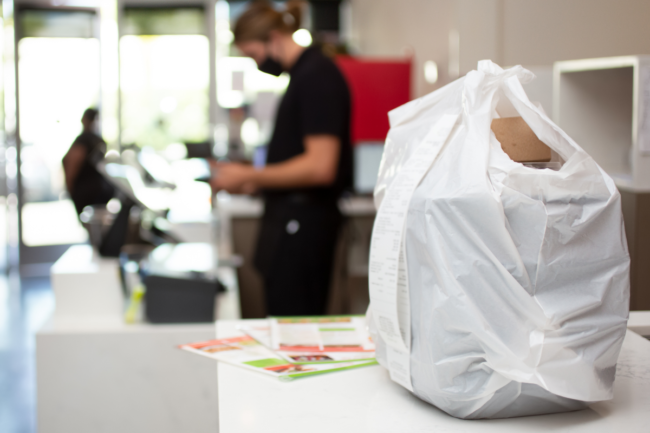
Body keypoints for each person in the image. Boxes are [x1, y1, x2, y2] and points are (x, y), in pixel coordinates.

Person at [211, 0, 352, 316]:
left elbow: (320, 167)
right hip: (288, 226)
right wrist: (251, 182)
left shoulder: (317, 76)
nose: (256, 63)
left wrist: (250, 177)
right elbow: (297, 159)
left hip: (303, 230)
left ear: (274, 37)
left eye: (253, 55)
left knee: (296, 331)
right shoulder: (301, 76)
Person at [62, 108, 115, 215]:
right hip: (97, 191)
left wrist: (70, 188)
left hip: (86, 193)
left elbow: (72, 165)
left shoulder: (84, 141)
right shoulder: (97, 141)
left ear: (85, 120)